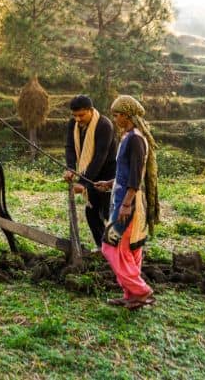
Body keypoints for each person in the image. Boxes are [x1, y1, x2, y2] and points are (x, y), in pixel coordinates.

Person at [94, 95, 160, 310]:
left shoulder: (135, 139)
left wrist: (126, 203)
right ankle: (131, 295)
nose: (115, 119)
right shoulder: (130, 137)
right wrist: (110, 183)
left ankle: (141, 291)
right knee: (129, 250)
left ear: (127, 115)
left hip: (128, 203)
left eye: (117, 115)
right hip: (123, 197)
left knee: (111, 246)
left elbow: (135, 176)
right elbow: (127, 173)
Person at [64, 95, 117, 248]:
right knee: (91, 214)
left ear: (91, 110)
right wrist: (71, 168)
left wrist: (82, 182)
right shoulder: (73, 124)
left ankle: (118, 250)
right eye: (74, 115)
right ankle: (103, 248)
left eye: (81, 115)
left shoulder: (104, 125)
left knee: (108, 214)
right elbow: (69, 147)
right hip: (88, 174)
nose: (78, 119)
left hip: (107, 175)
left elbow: (100, 156)